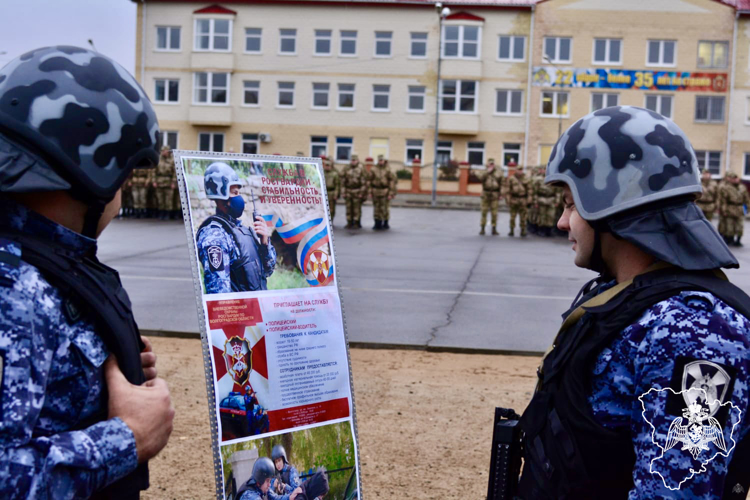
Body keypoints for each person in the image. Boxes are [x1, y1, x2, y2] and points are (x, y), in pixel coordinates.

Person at [517, 106, 750, 498]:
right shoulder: (626, 301)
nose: (561, 222)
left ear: (610, 201)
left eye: (571, 204)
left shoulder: (695, 330)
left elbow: (675, 491)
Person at [0, 45, 174, 498]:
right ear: (94, 171)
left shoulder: (42, 261)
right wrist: (129, 437)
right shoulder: (13, 293)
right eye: (127, 175)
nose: (124, 195)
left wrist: (99, 366)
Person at [196, 162, 276, 294]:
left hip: (258, 310)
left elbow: (268, 271)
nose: (239, 198)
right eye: (235, 193)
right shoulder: (215, 236)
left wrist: (264, 243)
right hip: (241, 312)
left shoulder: (242, 231)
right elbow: (219, 293)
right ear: (221, 195)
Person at [237, 457, 303, 500]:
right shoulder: (249, 495)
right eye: (267, 481)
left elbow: (275, 498)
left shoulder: (261, 488)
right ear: (260, 480)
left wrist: (290, 497)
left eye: (270, 481)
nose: (269, 485)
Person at [718, 172, 749, 247]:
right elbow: (724, 200)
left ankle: (738, 240)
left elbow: (746, 199)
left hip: (739, 208)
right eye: (733, 178)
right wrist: (724, 210)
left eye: (736, 178)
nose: (735, 180)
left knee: (740, 225)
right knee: (730, 226)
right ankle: (729, 239)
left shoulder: (742, 187)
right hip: (730, 208)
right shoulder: (726, 188)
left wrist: (748, 208)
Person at [367, 154, 397, 230]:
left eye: (382, 160)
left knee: (385, 208)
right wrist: (370, 192)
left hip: (385, 191)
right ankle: (377, 223)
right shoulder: (373, 169)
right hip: (376, 190)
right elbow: (369, 181)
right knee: (376, 208)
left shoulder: (388, 169)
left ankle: (385, 223)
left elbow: (392, 182)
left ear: (384, 161)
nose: (381, 162)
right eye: (379, 160)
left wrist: (391, 193)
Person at [476, 158, 503, 235]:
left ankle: (494, 229)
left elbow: (502, 184)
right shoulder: (484, 172)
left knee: (494, 213)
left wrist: (501, 194)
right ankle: (482, 228)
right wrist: (487, 172)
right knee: (484, 212)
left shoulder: (499, 173)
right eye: (490, 164)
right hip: (485, 194)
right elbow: (480, 178)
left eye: (492, 164)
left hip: (495, 195)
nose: (491, 165)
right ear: (487, 164)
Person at [341, 154, 368, 229]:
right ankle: (349, 222)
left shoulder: (361, 168)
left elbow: (364, 182)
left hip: (357, 190)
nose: (353, 162)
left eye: (354, 160)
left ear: (357, 161)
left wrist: (362, 193)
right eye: (352, 160)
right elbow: (343, 181)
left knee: (357, 208)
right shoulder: (346, 168)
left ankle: (357, 222)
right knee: (348, 208)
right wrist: (343, 192)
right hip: (348, 190)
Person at [531, 166, 558, 237]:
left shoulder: (554, 178)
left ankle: (548, 230)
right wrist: (535, 202)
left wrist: (557, 201)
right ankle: (541, 230)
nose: (545, 171)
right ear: (541, 170)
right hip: (541, 199)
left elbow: (557, 191)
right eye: (544, 169)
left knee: (551, 216)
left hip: (551, 199)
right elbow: (535, 192)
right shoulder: (538, 180)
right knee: (542, 215)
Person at [505, 166, 531, 237]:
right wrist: (508, 200)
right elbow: (507, 190)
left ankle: (523, 230)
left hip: (523, 199)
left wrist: (529, 200)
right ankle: (511, 230)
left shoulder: (526, 178)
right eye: (519, 170)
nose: (520, 171)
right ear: (516, 170)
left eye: (521, 170)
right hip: (514, 199)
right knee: (512, 216)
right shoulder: (511, 178)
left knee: (523, 216)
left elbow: (530, 190)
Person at [154, 145, 176, 220]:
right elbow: (154, 171)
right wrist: (154, 181)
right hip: (160, 181)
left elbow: (175, 173)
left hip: (169, 182)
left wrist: (173, 182)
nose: (163, 152)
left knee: (168, 199)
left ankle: (167, 214)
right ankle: (161, 212)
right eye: (162, 151)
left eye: (164, 151)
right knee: (160, 199)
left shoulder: (172, 160)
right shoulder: (158, 159)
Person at [322, 156, 340, 224]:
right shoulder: (322, 172)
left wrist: (336, 194)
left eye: (328, 166)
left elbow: (337, 185)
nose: (327, 167)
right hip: (324, 192)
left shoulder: (334, 174)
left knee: (331, 209)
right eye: (326, 165)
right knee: (323, 208)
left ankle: (330, 221)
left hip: (331, 192)